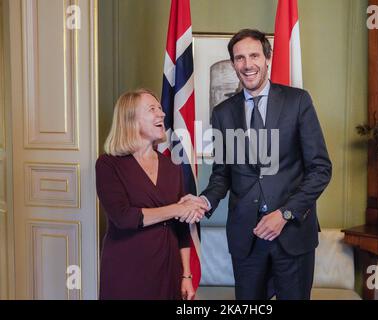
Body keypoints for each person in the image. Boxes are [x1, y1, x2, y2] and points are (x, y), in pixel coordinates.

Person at [180, 29, 332, 300]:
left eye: (254, 55)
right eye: (239, 58)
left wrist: (285, 214)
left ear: (267, 59)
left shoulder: (298, 101)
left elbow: (320, 169)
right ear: (234, 63)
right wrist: (204, 201)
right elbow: (222, 175)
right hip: (247, 238)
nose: (247, 64)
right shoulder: (223, 113)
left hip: (292, 234)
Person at [96, 88, 207, 300]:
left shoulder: (172, 167)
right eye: (152, 109)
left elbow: (182, 229)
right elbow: (124, 217)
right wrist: (178, 209)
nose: (162, 114)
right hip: (127, 269)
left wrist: (186, 276)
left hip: (169, 268)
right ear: (131, 119)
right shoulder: (108, 164)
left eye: (160, 108)